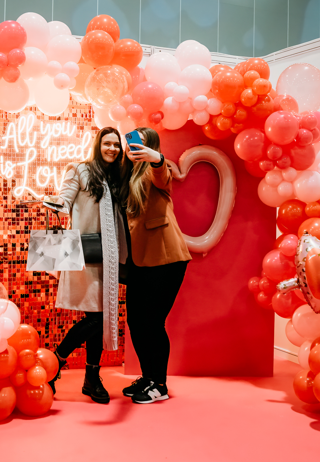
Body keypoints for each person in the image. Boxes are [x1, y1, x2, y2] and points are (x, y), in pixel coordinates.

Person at [48, 127, 129, 404]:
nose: (112, 149)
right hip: (84, 253)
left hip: (109, 256)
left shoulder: (117, 177)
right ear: (98, 145)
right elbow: (65, 199)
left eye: (116, 145)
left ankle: (91, 378)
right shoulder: (80, 170)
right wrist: (55, 203)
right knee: (97, 318)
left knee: (100, 317)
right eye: (107, 144)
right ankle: (56, 361)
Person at [121, 127, 191, 404]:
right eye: (131, 143)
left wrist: (156, 158)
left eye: (140, 144)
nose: (133, 149)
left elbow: (164, 176)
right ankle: (148, 376)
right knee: (136, 322)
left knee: (152, 322)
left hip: (165, 259)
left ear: (150, 146)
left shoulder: (155, 170)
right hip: (139, 261)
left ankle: (159, 385)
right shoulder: (125, 175)